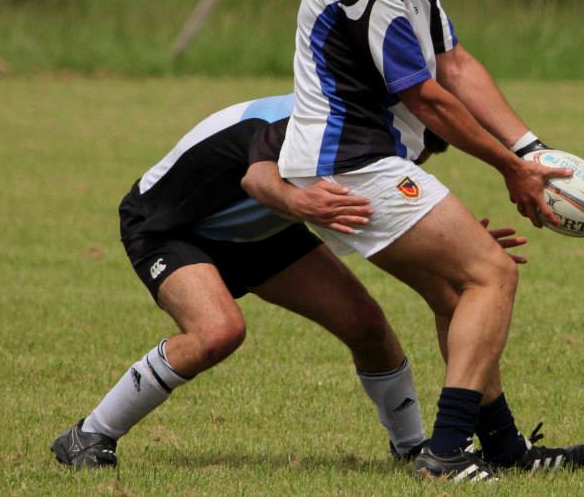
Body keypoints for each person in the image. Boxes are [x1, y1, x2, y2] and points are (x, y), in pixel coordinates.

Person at [278, 0, 584, 481]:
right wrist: (510, 169)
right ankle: (445, 453)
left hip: (359, 159)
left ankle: (503, 449)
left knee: (458, 291)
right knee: (492, 275)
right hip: (348, 166)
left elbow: (453, 63)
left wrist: (530, 150)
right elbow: (425, 96)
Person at [50, 93, 527, 470]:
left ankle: (409, 448)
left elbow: (395, 229)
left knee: (366, 324)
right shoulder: (320, 126)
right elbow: (256, 181)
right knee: (218, 332)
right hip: (168, 227)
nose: (410, 164)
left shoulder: (361, 140)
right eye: (410, 153)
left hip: (260, 230)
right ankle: (88, 435)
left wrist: (460, 248)